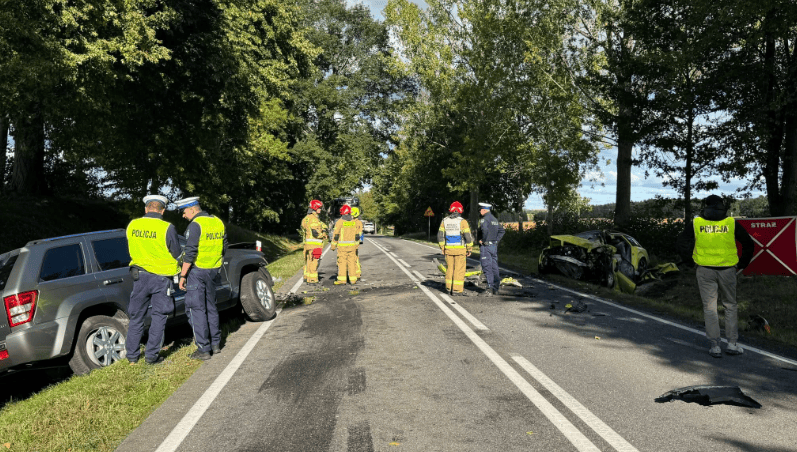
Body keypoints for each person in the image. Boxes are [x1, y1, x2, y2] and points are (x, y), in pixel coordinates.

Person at [676, 194, 754, 358]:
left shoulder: (697, 222)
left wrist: (689, 262)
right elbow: (748, 243)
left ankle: (715, 346)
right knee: (730, 305)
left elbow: (682, 241)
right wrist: (742, 264)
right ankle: (732, 344)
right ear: (722, 206)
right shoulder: (730, 222)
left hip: (704, 269)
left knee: (710, 308)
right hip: (728, 269)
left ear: (705, 206)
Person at [125, 195, 182, 365]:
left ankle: (132, 358)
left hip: (139, 277)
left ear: (146, 209)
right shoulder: (167, 227)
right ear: (162, 210)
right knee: (159, 316)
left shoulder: (132, 225)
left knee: (136, 317)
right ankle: (151, 357)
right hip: (161, 278)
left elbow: (131, 245)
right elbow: (176, 253)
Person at [176, 196, 228, 360]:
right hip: (213, 270)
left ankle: (203, 350)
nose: (183, 215)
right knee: (211, 307)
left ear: (192, 209)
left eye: (184, 212)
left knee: (196, 309)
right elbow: (224, 246)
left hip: (197, 272)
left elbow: (190, 252)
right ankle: (215, 344)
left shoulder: (196, 225)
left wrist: (183, 275)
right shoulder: (217, 221)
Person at [437, 201, 473, 295]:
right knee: (459, 269)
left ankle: (448, 289)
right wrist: (469, 248)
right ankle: (457, 290)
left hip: (448, 250)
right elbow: (468, 237)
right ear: (460, 210)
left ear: (451, 210)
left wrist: (442, 247)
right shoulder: (463, 222)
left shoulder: (444, 221)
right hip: (460, 250)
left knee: (449, 269)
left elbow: (440, 236)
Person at [477, 202, 505, 296]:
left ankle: (489, 288)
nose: (479, 211)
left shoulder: (484, 219)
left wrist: (483, 240)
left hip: (486, 247)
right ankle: (495, 288)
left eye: (480, 209)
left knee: (487, 267)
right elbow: (502, 231)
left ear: (484, 210)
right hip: (493, 246)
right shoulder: (494, 219)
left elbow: (484, 230)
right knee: (494, 267)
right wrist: (496, 241)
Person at [330, 205, 360, 285]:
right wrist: (356, 246)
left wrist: (333, 245)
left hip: (342, 248)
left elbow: (336, 235)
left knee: (342, 262)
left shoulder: (340, 222)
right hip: (352, 247)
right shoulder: (354, 222)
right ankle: (353, 280)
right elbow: (357, 236)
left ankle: (342, 280)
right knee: (352, 262)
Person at [301, 200, 328, 284]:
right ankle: (313, 280)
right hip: (315, 245)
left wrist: (324, 227)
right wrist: (323, 234)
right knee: (314, 262)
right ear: (315, 208)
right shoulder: (314, 219)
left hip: (307, 244)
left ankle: (307, 277)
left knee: (308, 261)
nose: (320, 209)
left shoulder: (305, 219)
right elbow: (316, 233)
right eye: (319, 208)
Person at [351, 206, 364, 279]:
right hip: (349, 242)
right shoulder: (350, 221)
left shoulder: (358, 222)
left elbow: (360, 232)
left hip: (354, 243)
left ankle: (357, 273)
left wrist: (357, 237)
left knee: (355, 258)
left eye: (352, 213)